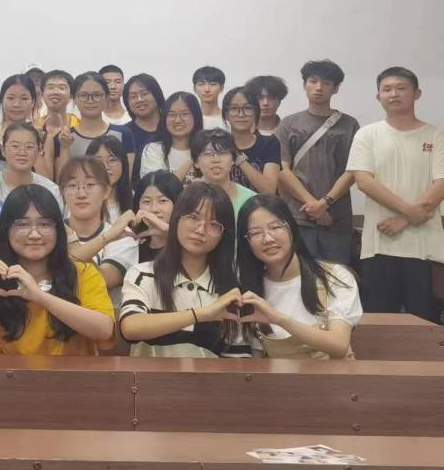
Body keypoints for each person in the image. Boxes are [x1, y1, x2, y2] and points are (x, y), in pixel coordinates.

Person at [0, 184, 116, 355]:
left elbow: (104, 330)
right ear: (6, 230)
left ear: (59, 229)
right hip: (10, 372)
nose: (34, 234)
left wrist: (40, 296)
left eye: (44, 224)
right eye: (22, 224)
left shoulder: (83, 272)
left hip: (75, 372)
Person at [348, 67, 444, 320]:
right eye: (387, 89)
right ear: (378, 96)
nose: (394, 94)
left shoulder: (435, 135)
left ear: (417, 93)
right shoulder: (367, 134)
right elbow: (363, 181)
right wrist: (410, 212)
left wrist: (404, 218)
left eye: (401, 88)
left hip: (426, 249)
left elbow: (441, 183)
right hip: (379, 246)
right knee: (380, 324)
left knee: (427, 323)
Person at [119, 182, 250, 358]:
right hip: (148, 376)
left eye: (213, 224)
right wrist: (200, 315)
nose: (200, 229)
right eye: (193, 217)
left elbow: (237, 361)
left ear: (223, 234)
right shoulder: (143, 274)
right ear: (176, 219)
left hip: (207, 376)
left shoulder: (229, 291)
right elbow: (130, 327)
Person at [238, 194, 362, 358]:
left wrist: (278, 319)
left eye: (275, 227)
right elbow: (257, 358)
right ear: (247, 242)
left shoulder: (334, 276)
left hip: (328, 374)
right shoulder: (251, 289)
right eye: (255, 233)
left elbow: (339, 345)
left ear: (291, 228)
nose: (268, 238)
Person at [276, 60, 360, 264]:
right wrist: (314, 206)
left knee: (338, 276)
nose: (319, 88)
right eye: (313, 81)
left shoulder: (349, 124)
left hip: (337, 219)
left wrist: (325, 203)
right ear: (304, 85)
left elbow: (354, 170)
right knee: (301, 274)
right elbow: (282, 170)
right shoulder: (288, 123)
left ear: (336, 88)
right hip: (298, 217)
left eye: (327, 83)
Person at [61, 157, 136, 295]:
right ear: (63, 192)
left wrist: (72, 241)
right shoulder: (49, 232)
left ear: (106, 191)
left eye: (90, 185)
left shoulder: (123, 237)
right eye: (72, 185)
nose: (81, 194)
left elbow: (101, 279)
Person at [51, 72, 135, 181]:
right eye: (83, 95)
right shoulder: (64, 138)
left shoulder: (123, 134)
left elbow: (126, 179)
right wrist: (64, 147)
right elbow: (62, 182)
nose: (90, 101)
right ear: (74, 99)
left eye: (97, 95)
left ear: (106, 97)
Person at [0, 122, 64, 217]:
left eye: (29, 147)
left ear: (39, 150)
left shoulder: (51, 190)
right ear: (3, 150)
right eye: (15, 146)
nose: (22, 152)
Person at [223, 87, 281, 195]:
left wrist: (238, 157)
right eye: (234, 108)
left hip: (263, 205)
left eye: (247, 108)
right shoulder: (219, 145)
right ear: (226, 114)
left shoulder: (270, 143)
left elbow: (269, 190)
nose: (241, 114)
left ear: (256, 112)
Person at [139, 92, 203, 182]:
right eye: (172, 115)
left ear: (196, 117)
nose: (177, 120)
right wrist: (190, 162)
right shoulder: (154, 150)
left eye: (184, 114)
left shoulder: (206, 150)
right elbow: (159, 187)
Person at [192, 129, 256, 218]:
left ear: (233, 159)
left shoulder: (250, 200)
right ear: (196, 162)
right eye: (207, 154)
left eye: (222, 153)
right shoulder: (188, 199)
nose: (216, 160)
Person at [0, 74, 37, 162]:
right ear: (1, 101)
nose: (16, 104)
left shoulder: (42, 138)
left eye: (24, 98)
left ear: (33, 102)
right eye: (11, 98)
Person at [133, 171, 184, 263]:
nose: (154, 209)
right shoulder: (133, 249)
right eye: (147, 201)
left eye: (162, 201)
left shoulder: (188, 248)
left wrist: (171, 232)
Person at [122, 73, 165, 181]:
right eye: (133, 97)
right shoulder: (124, 134)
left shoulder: (173, 127)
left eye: (144, 94)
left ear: (157, 95)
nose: (139, 99)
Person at [86, 135, 135, 226]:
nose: (106, 167)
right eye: (98, 161)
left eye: (112, 160)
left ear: (123, 164)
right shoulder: (80, 199)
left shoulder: (134, 198)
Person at [35, 69, 79, 139]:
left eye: (61, 88)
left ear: (71, 96)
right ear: (42, 95)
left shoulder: (78, 125)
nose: (55, 92)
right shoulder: (33, 127)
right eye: (50, 88)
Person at [193, 66, 228, 130]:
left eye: (213, 84)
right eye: (201, 84)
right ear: (194, 88)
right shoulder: (191, 118)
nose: (207, 89)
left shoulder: (228, 118)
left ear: (222, 88)